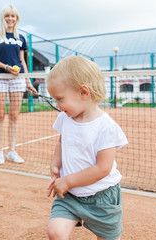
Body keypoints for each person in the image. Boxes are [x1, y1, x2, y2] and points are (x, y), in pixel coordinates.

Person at [46, 56, 128, 240]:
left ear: (83, 92)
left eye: (60, 99)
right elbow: (61, 141)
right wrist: (55, 163)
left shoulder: (106, 127)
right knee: (55, 231)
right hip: (70, 196)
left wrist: (67, 181)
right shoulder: (64, 118)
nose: (57, 106)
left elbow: (103, 168)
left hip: (102, 198)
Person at [0, 5, 37, 164]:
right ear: (3, 17)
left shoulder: (21, 38)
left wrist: (27, 80)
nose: (10, 19)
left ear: (17, 19)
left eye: (13, 16)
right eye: (8, 16)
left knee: (14, 116)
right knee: (0, 115)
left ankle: (12, 151)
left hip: (18, 79)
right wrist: (6, 67)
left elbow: (22, 60)